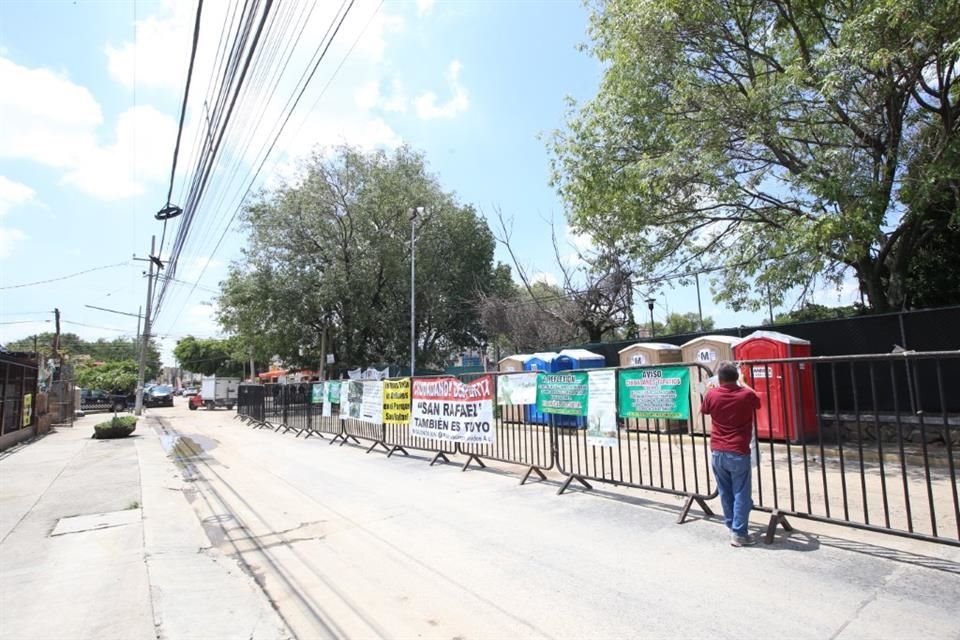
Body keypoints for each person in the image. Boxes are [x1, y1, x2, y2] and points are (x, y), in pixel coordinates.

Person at [701, 361, 761, 547]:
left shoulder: (712, 394)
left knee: (725, 491)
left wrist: (708, 391)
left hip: (717, 451)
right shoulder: (745, 394)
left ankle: (731, 526)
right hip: (738, 451)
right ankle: (739, 533)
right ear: (736, 377)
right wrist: (743, 382)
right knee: (741, 492)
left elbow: (704, 410)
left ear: (719, 379)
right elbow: (757, 399)